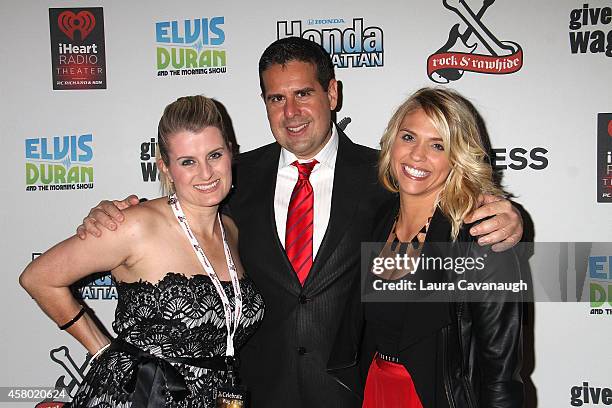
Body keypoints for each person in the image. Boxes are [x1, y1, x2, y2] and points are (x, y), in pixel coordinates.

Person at [76, 38, 524, 407]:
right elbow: (171, 226)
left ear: (331, 94)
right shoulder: (227, 179)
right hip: (254, 393)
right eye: (277, 98)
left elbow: (450, 221)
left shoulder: (385, 177)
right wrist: (111, 215)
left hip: (351, 394)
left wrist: (508, 215)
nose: (291, 111)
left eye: (304, 93)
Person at [20, 96, 264, 407]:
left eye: (214, 155)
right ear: (165, 167)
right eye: (188, 161)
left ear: (231, 153)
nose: (206, 173)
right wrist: (101, 349)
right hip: (138, 397)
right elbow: (38, 277)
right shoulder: (136, 225)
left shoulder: (231, 230)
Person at [332, 87, 524, 407]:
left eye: (438, 145)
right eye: (408, 137)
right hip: (376, 390)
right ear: (392, 141)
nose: (417, 155)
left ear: (458, 157)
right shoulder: (378, 220)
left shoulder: (482, 238)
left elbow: (501, 375)